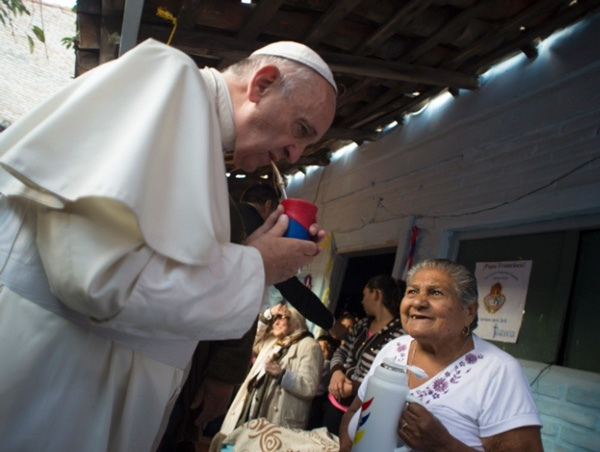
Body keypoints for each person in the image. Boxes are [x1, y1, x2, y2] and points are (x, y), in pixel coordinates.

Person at [0, 39, 337, 452]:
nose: (294, 154)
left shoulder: (201, 137)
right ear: (262, 84)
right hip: (54, 391)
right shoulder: (169, 79)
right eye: (301, 130)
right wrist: (256, 268)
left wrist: (252, 253)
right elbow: (97, 280)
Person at [157, 184, 335, 451]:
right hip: (202, 346)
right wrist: (225, 372)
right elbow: (260, 293)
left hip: (170, 340)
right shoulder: (243, 221)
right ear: (269, 207)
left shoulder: (219, 205)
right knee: (177, 429)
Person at [339, 259, 544, 452]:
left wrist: (444, 445)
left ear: (469, 311)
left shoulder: (498, 371)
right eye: (412, 291)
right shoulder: (394, 349)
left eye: (436, 293)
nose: (418, 301)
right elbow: (354, 412)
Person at [211, 303, 324, 450]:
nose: (275, 323)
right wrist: (268, 314)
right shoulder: (272, 340)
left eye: (281, 318)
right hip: (250, 411)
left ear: (295, 321)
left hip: (276, 420)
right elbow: (252, 337)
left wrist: (281, 374)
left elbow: (309, 387)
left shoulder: (310, 346)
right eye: (274, 319)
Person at [322, 275, 406, 434]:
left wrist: (355, 387)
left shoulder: (399, 336)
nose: (362, 301)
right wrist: (337, 371)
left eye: (364, 295)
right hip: (336, 402)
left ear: (376, 294)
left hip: (363, 411)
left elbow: (389, 379)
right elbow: (342, 351)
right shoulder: (362, 325)